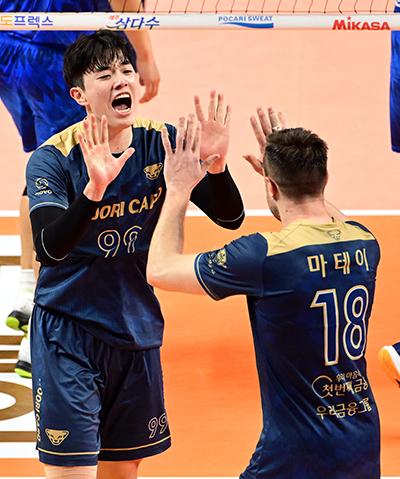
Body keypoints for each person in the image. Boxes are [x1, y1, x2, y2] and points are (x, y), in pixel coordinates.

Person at [26, 29, 243, 479]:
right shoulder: (53, 159)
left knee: (122, 474)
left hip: (136, 330)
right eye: (105, 75)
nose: (121, 80)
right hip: (68, 331)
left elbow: (230, 217)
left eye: (126, 70)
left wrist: (217, 168)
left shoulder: (160, 142)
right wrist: (93, 191)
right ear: (79, 95)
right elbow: (49, 247)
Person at [147, 107, 381, 478]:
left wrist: (178, 188)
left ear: (270, 186)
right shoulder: (365, 243)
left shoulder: (264, 256)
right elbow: (326, 218)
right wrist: (287, 172)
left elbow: (160, 269)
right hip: (362, 440)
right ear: (325, 178)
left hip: (295, 451)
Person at [0, 0, 160, 378]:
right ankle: (39, 318)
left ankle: (25, 290)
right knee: (72, 173)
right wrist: (143, 56)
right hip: (62, 54)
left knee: (46, 166)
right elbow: (125, 4)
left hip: (10, 44)